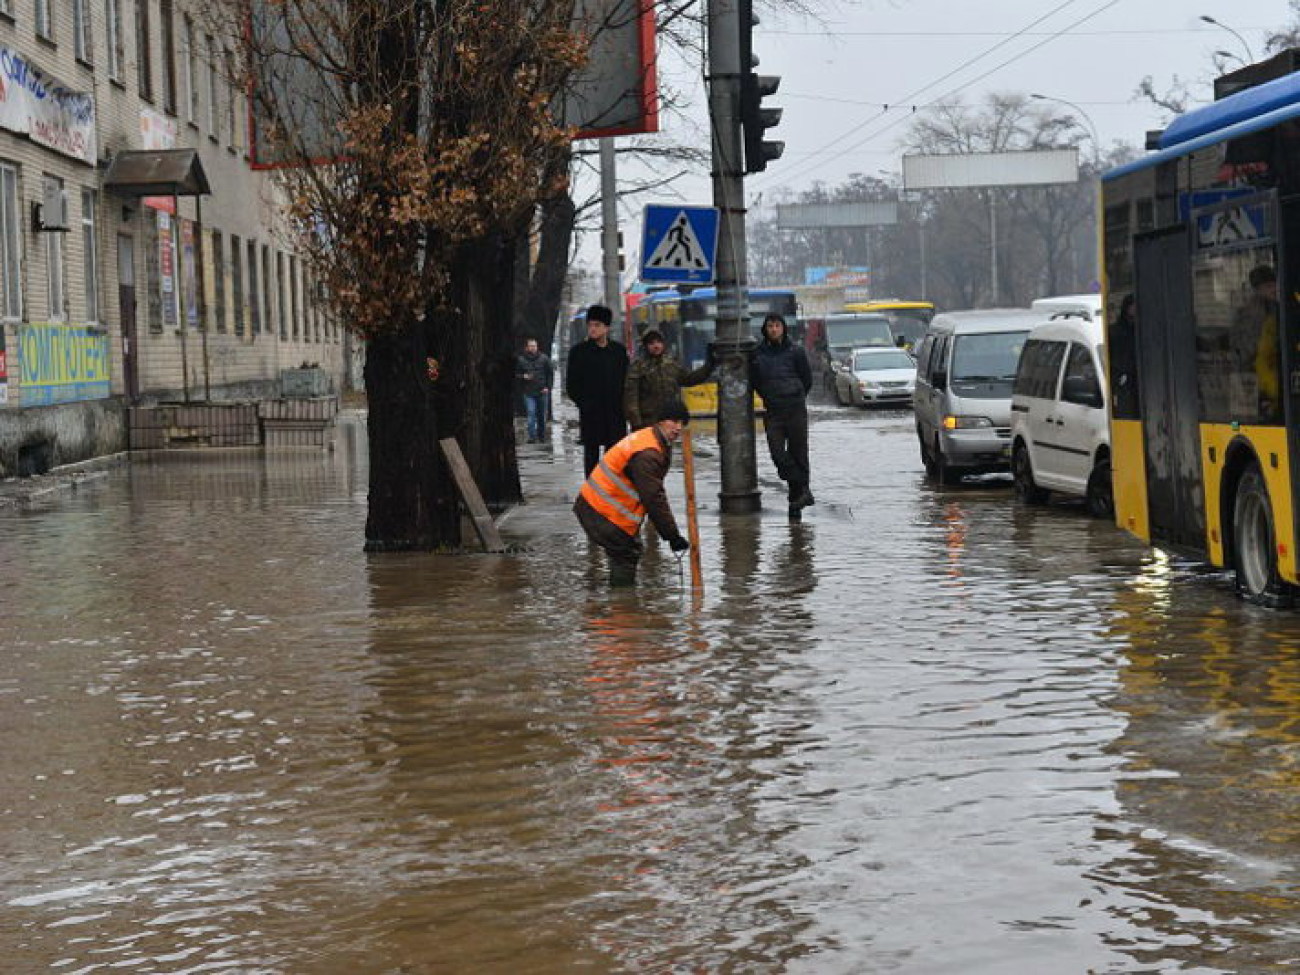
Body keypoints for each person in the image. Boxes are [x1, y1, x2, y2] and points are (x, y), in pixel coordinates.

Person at [573, 400, 693, 587]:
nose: (678, 428)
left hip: (594, 507)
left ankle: (616, 604)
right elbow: (654, 498)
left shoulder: (648, 438)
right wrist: (672, 536)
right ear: (661, 421)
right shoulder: (648, 453)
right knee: (626, 554)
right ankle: (623, 608)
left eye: (682, 423)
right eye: (674, 421)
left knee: (624, 552)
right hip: (601, 512)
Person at [750, 312, 814, 519]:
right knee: (778, 454)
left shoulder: (796, 351)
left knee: (799, 453)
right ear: (765, 329)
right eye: (770, 326)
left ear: (784, 328)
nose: (774, 329)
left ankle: (796, 503)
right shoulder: (758, 354)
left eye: (777, 325)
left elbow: (807, 379)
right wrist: (770, 396)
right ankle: (803, 489)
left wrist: (795, 394)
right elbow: (755, 381)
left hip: (795, 408)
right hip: (773, 411)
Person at [566, 304, 629, 476]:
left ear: (606, 328)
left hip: (615, 414)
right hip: (591, 414)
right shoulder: (579, 352)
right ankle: (592, 495)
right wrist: (585, 404)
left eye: (597, 325)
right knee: (591, 457)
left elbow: (626, 381)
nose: (592, 329)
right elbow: (571, 385)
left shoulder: (618, 352)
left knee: (614, 458)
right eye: (590, 325)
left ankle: (611, 492)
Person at [623, 326, 715, 430]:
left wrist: (709, 366)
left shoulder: (671, 364)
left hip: (669, 421)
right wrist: (637, 423)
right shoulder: (637, 367)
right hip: (647, 422)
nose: (656, 346)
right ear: (645, 346)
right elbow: (631, 397)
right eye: (651, 343)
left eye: (658, 342)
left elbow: (690, 379)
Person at [515, 336, 553, 443]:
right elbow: (516, 375)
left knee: (542, 415)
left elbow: (550, 373)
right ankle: (532, 436)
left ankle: (541, 435)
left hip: (542, 391)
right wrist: (523, 376)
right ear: (526, 348)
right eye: (530, 346)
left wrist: (547, 387)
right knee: (531, 413)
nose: (533, 348)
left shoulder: (544, 358)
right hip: (528, 392)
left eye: (534, 346)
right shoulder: (521, 360)